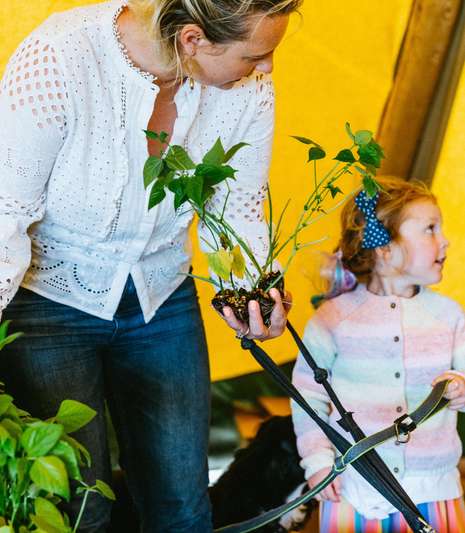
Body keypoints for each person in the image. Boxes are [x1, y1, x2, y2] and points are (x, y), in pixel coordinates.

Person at [0, 0, 301, 531]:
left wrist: (252, 292)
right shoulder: (58, 58)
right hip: (46, 303)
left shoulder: (245, 87)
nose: (267, 67)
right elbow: (6, 212)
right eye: (258, 54)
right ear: (192, 40)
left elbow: (239, 203)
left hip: (162, 296)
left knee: (182, 509)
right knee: (80, 512)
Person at [291, 177, 465, 533]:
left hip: (433, 489)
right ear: (384, 248)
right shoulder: (332, 319)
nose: (445, 240)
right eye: (430, 229)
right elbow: (307, 397)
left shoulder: (449, 315)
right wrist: (318, 461)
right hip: (356, 488)